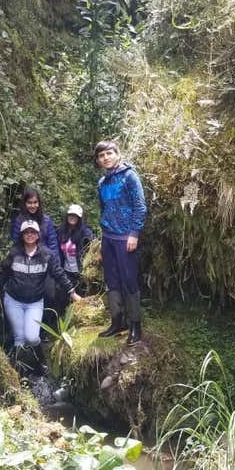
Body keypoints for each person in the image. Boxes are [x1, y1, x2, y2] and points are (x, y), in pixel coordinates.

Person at [0, 220, 81, 374]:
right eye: (26, 232)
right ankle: (20, 374)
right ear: (22, 235)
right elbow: (2, 275)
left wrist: (72, 293)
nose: (29, 235)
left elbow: (59, 275)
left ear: (38, 235)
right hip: (13, 301)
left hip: (35, 303)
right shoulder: (14, 253)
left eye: (33, 232)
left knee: (32, 337)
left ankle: (40, 361)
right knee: (20, 338)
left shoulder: (46, 254)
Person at [95, 140, 147, 345]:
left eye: (109, 153)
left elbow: (140, 206)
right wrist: (102, 242)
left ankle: (136, 326)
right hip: (108, 238)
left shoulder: (129, 177)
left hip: (126, 238)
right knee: (111, 280)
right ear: (98, 160)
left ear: (117, 154)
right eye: (101, 155)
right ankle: (117, 322)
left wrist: (134, 233)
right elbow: (104, 211)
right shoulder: (102, 183)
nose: (105, 157)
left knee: (129, 281)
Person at [56, 203, 94, 303]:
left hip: (80, 273)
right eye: (71, 215)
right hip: (66, 272)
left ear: (79, 218)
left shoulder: (85, 232)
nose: (72, 217)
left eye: (75, 216)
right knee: (64, 299)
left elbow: (93, 246)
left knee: (81, 301)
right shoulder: (61, 231)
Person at [10, 187, 58, 254]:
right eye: (29, 202)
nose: (33, 206)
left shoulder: (46, 220)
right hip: (25, 259)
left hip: (44, 258)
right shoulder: (19, 220)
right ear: (25, 204)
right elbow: (15, 243)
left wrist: (55, 263)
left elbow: (53, 244)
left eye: (35, 202)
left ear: (39, 203)